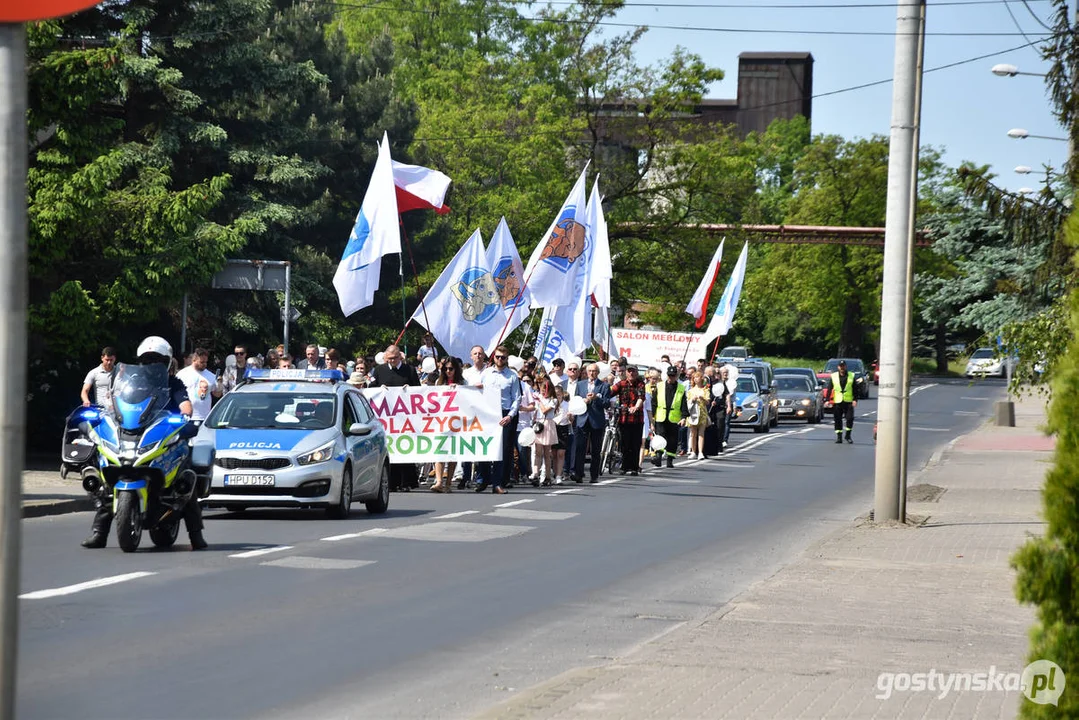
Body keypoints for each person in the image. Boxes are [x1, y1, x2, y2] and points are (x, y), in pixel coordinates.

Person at [82, 336, 207, 551]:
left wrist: (184, 416)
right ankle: (99, 533)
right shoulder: (129, 382)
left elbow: (186, 407)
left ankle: (196, 535)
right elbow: (115, 402)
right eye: (148, 359)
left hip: (164, 436)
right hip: (133, 434)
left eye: (157, 359)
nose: (152, 363)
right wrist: (107, 415)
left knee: (186, 480)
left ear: (166, 361)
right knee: (106, 482)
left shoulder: (173, 383)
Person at [369, 344, 421, 490]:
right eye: (389, 359)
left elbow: (419, 389)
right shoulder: (380, 370)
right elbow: (371, 388)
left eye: (394, 358)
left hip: (405, 418)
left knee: (405, 448)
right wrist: (378, 389)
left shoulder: (409, 370)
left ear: (400, 357)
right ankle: (391, 483)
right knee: (390, 449)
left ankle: (406, 482)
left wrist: (410, 390)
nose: (391, 361)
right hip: (387, 418)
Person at [477, 345, 520, 494]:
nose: (500, 360)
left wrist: (510, 415)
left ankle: (498, 482)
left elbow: (516, 398)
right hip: (488, 412)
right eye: (497, 357)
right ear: (494, 357)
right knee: (484, 446)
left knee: (502, 450)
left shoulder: (512, 375)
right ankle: (482, 480)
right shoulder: (486, 373)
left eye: (503, 357)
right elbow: (478, 391)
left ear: (507, 359)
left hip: (505, 412)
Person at [572, 362, 610, 483]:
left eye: (594, 371)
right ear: (586, 372)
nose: (592, 373)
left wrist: (596, 398)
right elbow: (575, 399)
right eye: (590, 371)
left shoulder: (604, 385)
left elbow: (607, 403)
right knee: (580, 448)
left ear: (598, 373)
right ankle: (578, 474)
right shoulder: (580, 384)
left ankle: (594, 475)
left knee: (596, 449)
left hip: (596, 420)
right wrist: (583, 401)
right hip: (582, 419)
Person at [430, 357, 464, 493]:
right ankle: (439, 481)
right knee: (440, 450)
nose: (448, 371)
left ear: (456, 369)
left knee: (452, 453)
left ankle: (448, 483)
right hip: (441, 421)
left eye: (451, 368)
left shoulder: (463, 382)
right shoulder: (439, 382)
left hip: (457, 422)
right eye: (445, 369)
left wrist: (460, 389)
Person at [609, 364, 646, 475]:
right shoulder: (621, 384)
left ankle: (634, 468)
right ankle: (624, 466)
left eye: (633, 371)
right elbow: (610, 392)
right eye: (629, 371)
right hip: (624, 418)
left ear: (636, 372)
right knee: (624, 443)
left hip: (637, 419)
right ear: (626, 373)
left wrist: (636, 407)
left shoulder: (640, 384)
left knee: (635, 443)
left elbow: (641, 397)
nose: (631, 373)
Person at [652, 365, 688, 468]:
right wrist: (652, 416)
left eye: (673, 376)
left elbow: (683, 404)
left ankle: (670, 460)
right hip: (660, 416)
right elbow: (654, 402)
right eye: (669, 375)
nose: (671, 378)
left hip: (673, 417)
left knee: (672, 440)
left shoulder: (681, 388)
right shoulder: (659, 386)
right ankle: (658, 457)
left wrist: (683, 417)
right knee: (660, 437)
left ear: (676, 376)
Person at [176, 347, 221, 421]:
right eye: (202, 362)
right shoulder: (182, 374)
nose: (204, 364)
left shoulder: (211, 376)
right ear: (194, 360)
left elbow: (217, 394)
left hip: (205, 417)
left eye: (206, 362)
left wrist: (220, 384)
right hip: (187, 417)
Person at [531, 376, 558, 485]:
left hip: (547, 424)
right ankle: (535, 474)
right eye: (542, 390)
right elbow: (536, 411)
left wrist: (539, 401)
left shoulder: (553, 400)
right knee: (537, 452)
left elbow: (545, 410)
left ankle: (547, 476)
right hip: (539, 423)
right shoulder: (539, 397)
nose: (544, 392)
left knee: (547, 453)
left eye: (546, 390)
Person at [828, 359, 858, 444]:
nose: (842, 368)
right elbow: (830, 388)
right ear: (838, 367)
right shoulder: (834, 376)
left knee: (850, 418)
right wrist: (827, 400)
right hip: (837, 401)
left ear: (845, 367)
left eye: (843, 366)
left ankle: (848, 435)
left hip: (848, 401)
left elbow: (855, 389)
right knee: (837, 419)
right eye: (840, 366)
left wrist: (855, 399)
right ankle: (839, 437)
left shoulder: (851, 375)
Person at [685, 371, 712, 459]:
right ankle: (693, 451)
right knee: (693, 433)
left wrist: (702, 398)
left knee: (701, 434)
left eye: (698, 377)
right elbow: (688, 402)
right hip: (693, 413)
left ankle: (700, 452)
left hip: (702, 413)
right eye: (694, 377)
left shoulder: (705, 390)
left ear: (701, 378)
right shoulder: (691, 391)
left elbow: (708, 402)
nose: (696, 379)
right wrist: (693, 399)